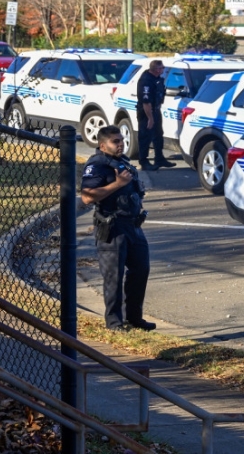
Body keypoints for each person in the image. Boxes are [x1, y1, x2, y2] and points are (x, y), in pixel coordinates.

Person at [81, 126, 156, 332]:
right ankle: (114, 322)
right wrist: (117, 184)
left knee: (141, 269)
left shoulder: (122, 162)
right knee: (113, 276)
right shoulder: (97, 165)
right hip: (113, 228)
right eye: (115, 141)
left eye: (121, 140)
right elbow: (87, 197)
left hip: (133, 226)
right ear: (102, 145)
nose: (120, 144)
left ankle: (134, 318)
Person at [136, 59, 175, 171]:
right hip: (146, 112)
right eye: (162, 68)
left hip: (156, 110)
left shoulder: (157, 78)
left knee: (158, 135)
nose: (163, 69)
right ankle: (144, 161)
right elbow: (146, 102)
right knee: (145, 136)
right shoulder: (146, 81)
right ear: (157, 69)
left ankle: (159, 158)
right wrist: (150, 118)